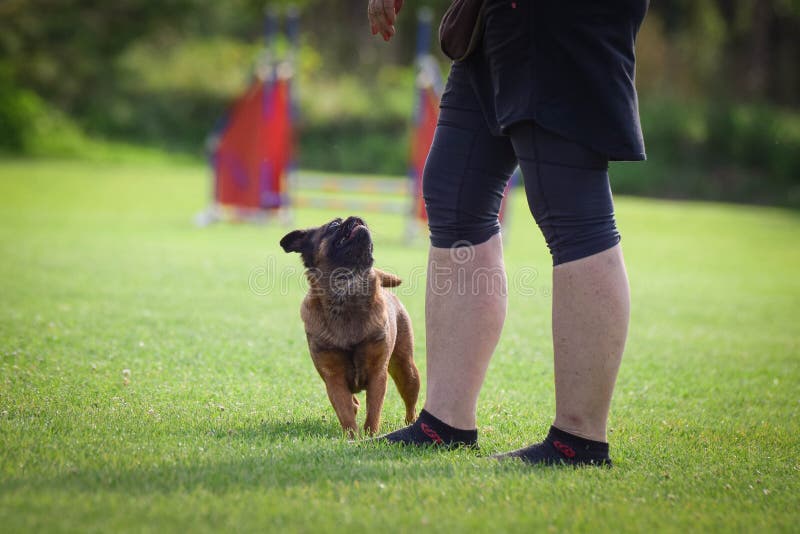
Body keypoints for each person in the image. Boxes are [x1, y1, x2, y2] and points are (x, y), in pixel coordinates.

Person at [367, 0, 648, 465]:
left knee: (568, 204)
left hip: (560, 19)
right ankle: (446, 423)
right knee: (454, 191)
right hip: (496, 14)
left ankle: (578, 442)